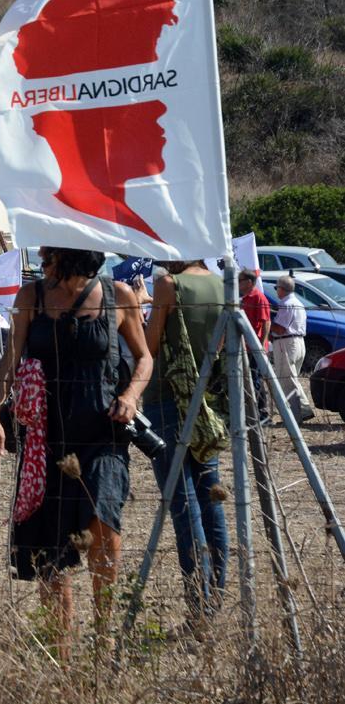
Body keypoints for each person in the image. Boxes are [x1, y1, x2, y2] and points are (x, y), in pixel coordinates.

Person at [0, 246, 152, 652]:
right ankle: (60, 649)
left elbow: (144, 358)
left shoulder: (118, 295)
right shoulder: (32, 297)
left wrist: (131, 395)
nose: (41, 261)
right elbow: (8, 364)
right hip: (45, 439)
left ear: (72, 255)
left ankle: (104, 637)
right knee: (51, 546)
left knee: (102, 522)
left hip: (103, 434)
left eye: (49, 255)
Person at [143, 260, 229, 619]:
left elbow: (149, 346)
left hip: (167, 398)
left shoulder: (169, 285)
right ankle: (216, 596)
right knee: (211, 499)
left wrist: (142, 306)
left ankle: (199, 602)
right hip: (205, 401)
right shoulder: (222, 285)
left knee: (183, 502)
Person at [269, 276, 314, 423]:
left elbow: (280, 329)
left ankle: (294, 417)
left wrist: (267, 322)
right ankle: (304, 410)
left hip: (286, 343)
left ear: (282, 289)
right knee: (292, 379)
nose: (276, 291)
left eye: (276, 288)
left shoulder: (286, 304)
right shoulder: (298, 303)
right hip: (298, 343)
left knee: (287, 381)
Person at [239, 269, 272, 419]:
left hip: (254, 347)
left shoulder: (258, 297)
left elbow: (266, 322)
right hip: (245, 346)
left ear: (249, 282)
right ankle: (252, 411)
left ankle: (262, 413)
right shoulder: (244, 298)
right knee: (250, 379)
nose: (238, 283)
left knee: (255, 378)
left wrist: (261, 344)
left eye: (240, 280)